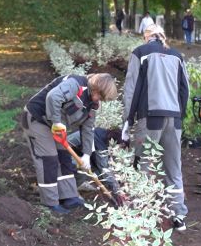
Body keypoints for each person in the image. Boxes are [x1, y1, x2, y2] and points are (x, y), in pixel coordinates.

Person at [122, 24, 190, 231]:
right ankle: (179, 216)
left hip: (150, 117)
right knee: (173, 168)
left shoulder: (140, 53)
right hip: (174, 118)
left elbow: (131, 89)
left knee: (145, 166)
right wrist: (180, 117)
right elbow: (184, 89)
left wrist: (127, 121)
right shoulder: (176, 55)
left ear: (146, 37)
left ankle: (143, 216)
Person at [23, 73, 118, 213]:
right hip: (37, 118)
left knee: (64, 157)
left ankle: (69, 196)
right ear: (96, 87)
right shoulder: (76, 84)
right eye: (99, 95)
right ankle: (51, 202)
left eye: (102, 98)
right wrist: (56, 122)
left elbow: (88, 129)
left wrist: (86, 154)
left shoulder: (93, 104)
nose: (98, 99)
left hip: (56, 126)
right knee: (48, 159)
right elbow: (53, 97)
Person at [66, 127, 120, 193]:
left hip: (74, 151)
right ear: (113, 141)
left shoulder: (102, 132)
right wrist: (116, 188)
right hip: (64, 153)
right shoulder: (100, 143)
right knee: (85, 167)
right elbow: (104, 168)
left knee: (94, 167)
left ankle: (76, 183)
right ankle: (71, 189)